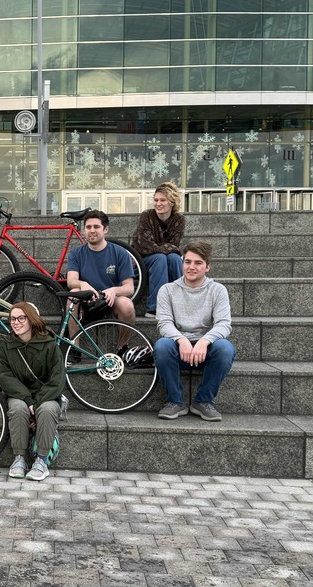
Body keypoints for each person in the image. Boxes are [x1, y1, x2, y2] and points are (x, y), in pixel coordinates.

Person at [153, 241, 235, 422]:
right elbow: (164, 323)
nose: (191, 267)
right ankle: (175, 401)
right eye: (187, 262)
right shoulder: (167, 290)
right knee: (162, 346)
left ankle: (204, 401)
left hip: (205, 351)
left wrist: (204, 342)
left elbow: (223, 324)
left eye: (198, 263)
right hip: (178, 350)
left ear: (207, 267)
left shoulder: (218, 290)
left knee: (225, 348)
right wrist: (181, 340)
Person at [0, 302, 64, 482]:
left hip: (46, 395)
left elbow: (57, 379)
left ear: (31, 319)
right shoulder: (4, 346)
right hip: (19, 395)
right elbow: (5, 377)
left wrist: (38, 402)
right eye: (12, 319)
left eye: (20, 318)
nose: (15, 322)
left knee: (47, 409)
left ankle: (41, 461)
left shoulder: (49, 345)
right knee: (18, 408)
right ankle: (19, 459)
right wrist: (28, 400)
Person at [66, 209, 136, 337]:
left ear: (105, 229)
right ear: (84, 230)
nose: (92, 230)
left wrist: (114, 290)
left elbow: (129, 288)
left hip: (110, 302)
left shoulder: (120, 253)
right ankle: (74, 348)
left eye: (96, 226)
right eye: (88, 227)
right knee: (73, 294)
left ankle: (122, 349)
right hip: (86, 302)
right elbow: (71, 281)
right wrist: (83, 284)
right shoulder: (76, 253)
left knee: (127, 305)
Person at [131, 181, 185, 318]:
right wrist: (166, 249)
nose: (158, 204)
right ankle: (155, 307)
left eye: (162, 200)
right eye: (156, 200)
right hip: (140, 260)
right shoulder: (147, 216)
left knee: (174, 258)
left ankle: (181, 304)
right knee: (161, 258)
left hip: (163, 259)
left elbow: (175, 245)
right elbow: (145, 245)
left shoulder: (179, 219)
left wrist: (167, 250)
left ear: (172, 203)